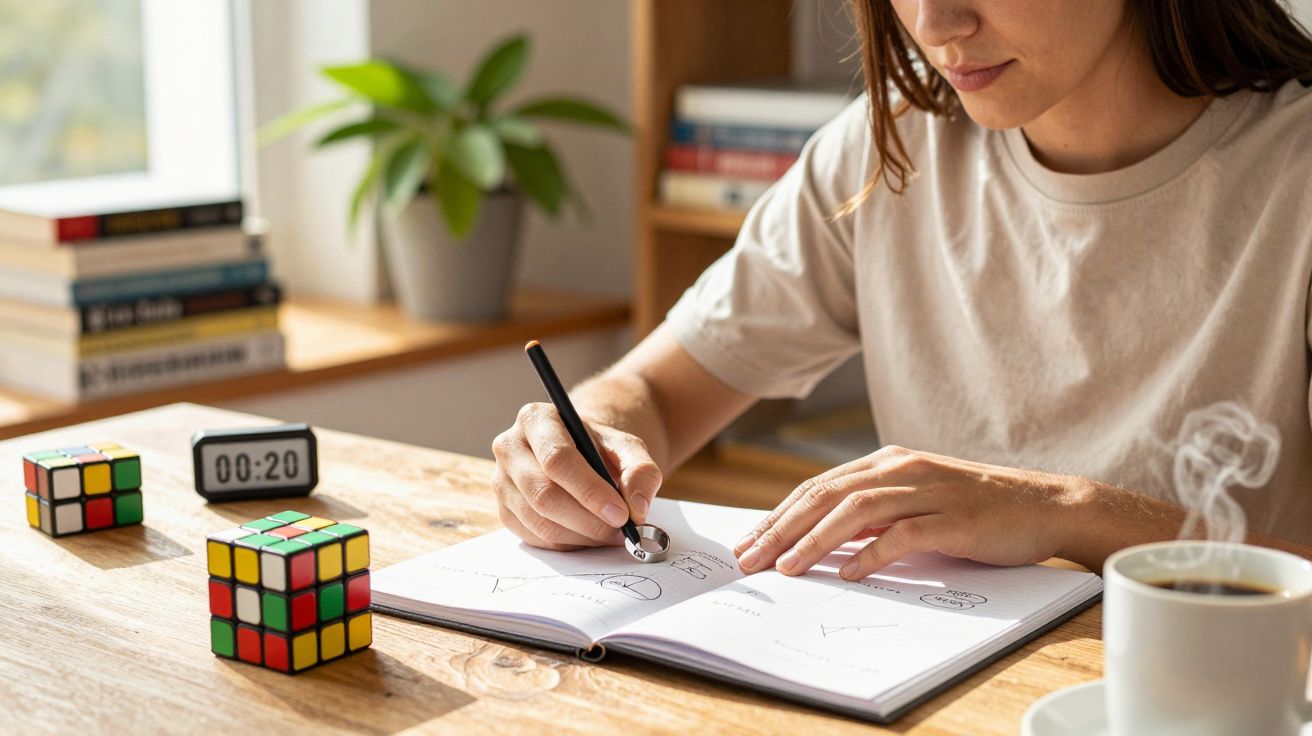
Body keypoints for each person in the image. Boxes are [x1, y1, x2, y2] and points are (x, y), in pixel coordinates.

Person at [491, 0, 1312, 580]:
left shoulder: (1294, 172)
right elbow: (655, 397)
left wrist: (1068, 512)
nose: (933, 24)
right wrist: (583, 447)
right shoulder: (884, 150)